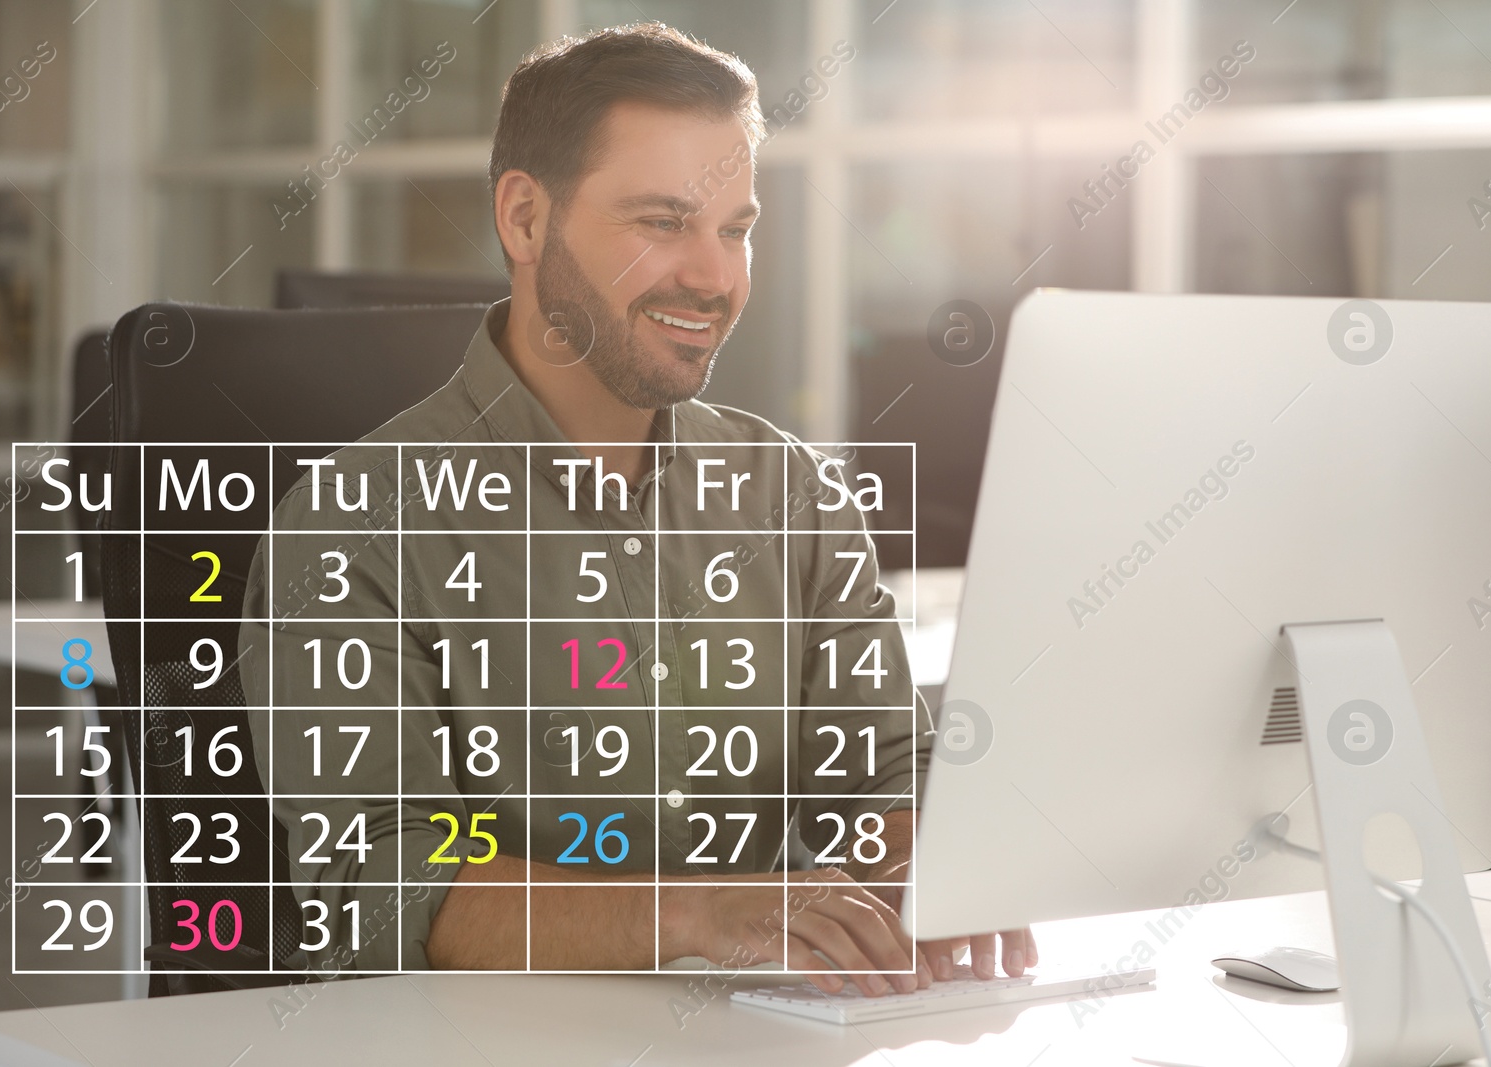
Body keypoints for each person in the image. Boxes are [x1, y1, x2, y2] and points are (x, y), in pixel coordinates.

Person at [241, 21, 1034, 994]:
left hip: (761, 1033)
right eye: (661, 221)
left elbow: (880, 773)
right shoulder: (352, 521)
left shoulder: (791, 493)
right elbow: (380, 884)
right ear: (526, 220)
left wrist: (934, 865)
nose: (712, 276)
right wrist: (698, 909)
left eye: (734, 229)